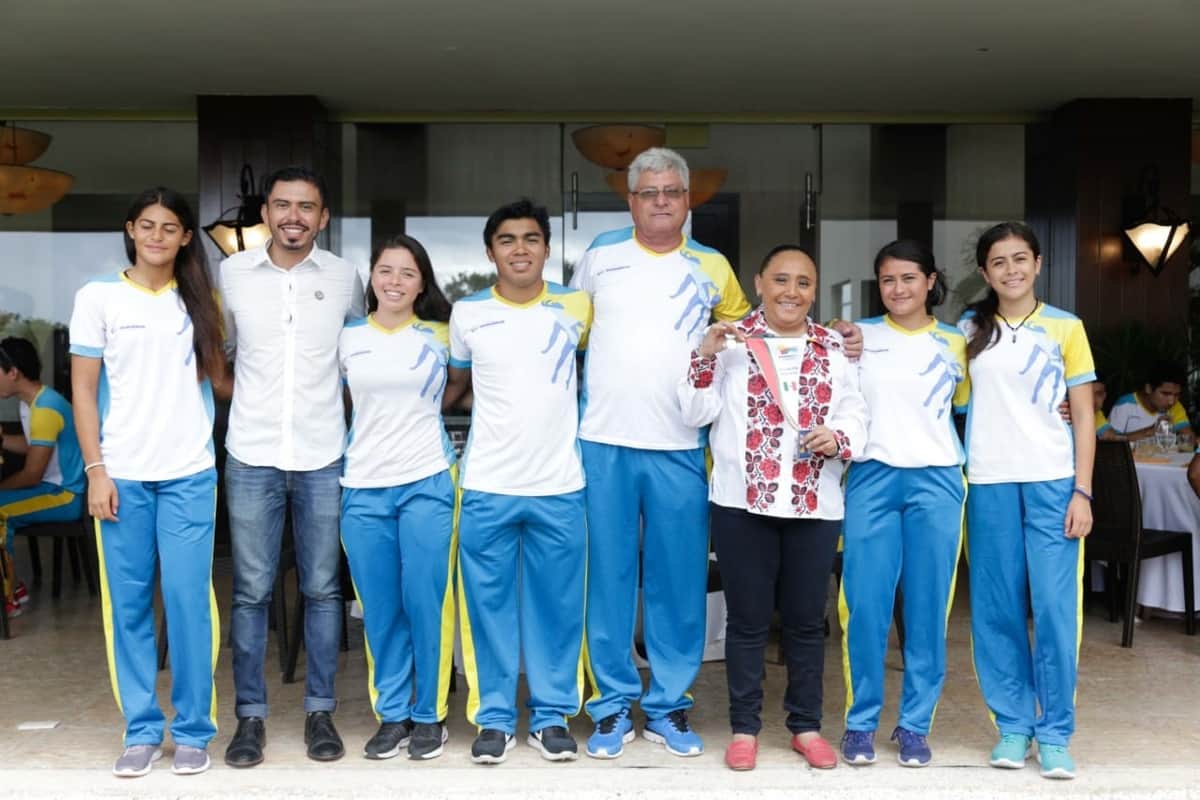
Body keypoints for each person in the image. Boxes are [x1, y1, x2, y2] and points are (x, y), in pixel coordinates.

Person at [568, 147, 749, 758]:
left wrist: (840, 344)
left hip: (679, 447)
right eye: (649, 192)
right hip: (604, 443)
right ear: (631, 199)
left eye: (672, 190)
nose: (662, 201)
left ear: (688, 197)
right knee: (609, 581)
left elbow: (750, 343)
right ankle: (613, 707)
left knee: (677, 584)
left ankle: (670, 707)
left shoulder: (713, 265)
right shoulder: (599, 258)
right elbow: (566, 339)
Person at [678, 245, 866, 771]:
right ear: (758, 282)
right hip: (741, 502)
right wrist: (706, 355)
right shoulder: (733, 341)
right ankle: (745, 728)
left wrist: (840, 434)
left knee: (808, 622)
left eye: (803, 282)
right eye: (780, 279)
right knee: (747, 621)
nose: (791, 291)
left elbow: (857, 412)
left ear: (814, 289)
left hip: (814, 502)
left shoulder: (833, 347)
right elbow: (695, 410)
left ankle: (805, 727)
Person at [69, 188, 227, 777]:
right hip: (122, 477)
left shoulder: (201, 301)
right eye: (147, 225)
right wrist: (96, 471)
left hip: (189, 474)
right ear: (131, 230)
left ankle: (192, 730)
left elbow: (222, 380)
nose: (157, 236)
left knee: (190, 605)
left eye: (170, 228)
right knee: (129, 607)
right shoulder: (98, 297)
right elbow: (83, 390)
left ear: (186, 237)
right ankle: (140, 729)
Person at [220, 166, 364, 767]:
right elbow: (214, 352)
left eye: (307, 207)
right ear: (266, 214)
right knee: (251, 591)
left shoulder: (345, 276)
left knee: (323, 589)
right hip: (250, 453)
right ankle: (249, 719)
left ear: (323, 217)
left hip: (323, 454)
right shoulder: (232, 275)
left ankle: (319, 712)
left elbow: (362, 356)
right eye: (283, 205)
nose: (294, 217)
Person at [447, 199, 590, 765]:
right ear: (490, 251)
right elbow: (453, 389)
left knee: (557, 607)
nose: (520, 249)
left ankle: (552, 716)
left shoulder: (577, 307)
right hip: (487, 482)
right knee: (489, 607)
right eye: (507, 240)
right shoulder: (467, 313)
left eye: (531, 239)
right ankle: (496, 718)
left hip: (561, 482)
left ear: (547, 248)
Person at [960, 221, 1095, 780]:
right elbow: (947, 401)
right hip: (988, 483)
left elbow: (1084, 412)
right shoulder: (968, 330)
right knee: (996, 611)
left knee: (1057, 612)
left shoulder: (1066, 327)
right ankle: (1014, 727)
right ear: (985, 272)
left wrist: (1083, 489)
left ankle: (1056, 732)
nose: (1011, 270)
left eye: (1021, 259)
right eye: (999, 262)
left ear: (1039, 264)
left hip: (1053, 482)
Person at [837, 240, 968, 768]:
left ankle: (914, 725)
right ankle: (860, 722)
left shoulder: (959, 344)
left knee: (926, 610)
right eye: (888, 280)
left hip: (937, 481)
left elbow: (976, 408)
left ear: (931, 281)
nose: (899, 289)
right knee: (866, 607)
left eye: (909, 278)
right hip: (871, 478)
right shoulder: (857, 339)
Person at [338, 234, 457, 761]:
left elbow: (459, 386)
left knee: (425, 601)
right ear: (372, 277)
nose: (394, 281)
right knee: (380, 608)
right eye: (385, 270)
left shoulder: (443, 336)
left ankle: (429, 715)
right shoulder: (346, 338)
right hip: (362, 485)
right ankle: (393, 714)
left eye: (407, 273)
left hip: (428, 480)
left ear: (422, 283)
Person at [0, 337, 85, 617]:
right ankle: (14, 587)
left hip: (64, 495)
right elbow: (35, 447)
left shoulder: (45, 408)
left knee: (1, 513)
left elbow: (33, 473)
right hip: (50, 489)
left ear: (13, 372)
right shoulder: (32, 402)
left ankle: (8, 595)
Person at [1107, 361, 1193, 443]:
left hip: (1163, 458)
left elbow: (1189, 440)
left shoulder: (1175, 406)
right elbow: (1110, 443)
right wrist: (1151, 431)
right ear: (1148, 388)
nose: (1171, 401)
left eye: (1176, 395)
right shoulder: (1125, 405)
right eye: (1165, 394)